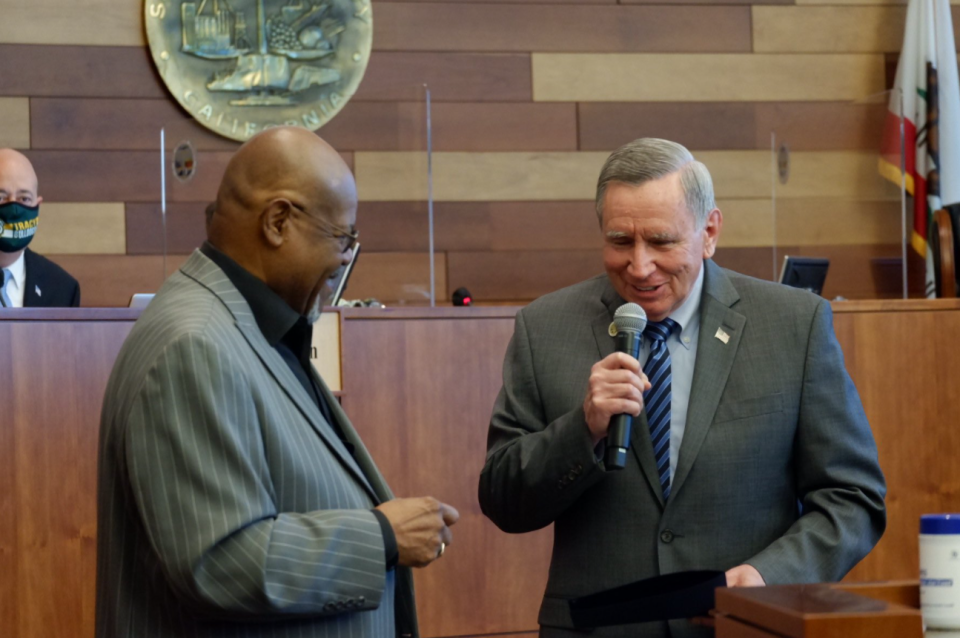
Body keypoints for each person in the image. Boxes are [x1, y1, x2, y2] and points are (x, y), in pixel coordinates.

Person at [478, 138, 886, 637]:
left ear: (709, 232)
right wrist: (581, 430)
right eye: (621, 241)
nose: (640, 266)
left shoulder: (792, 326)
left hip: (747, 626)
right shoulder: (546, 329)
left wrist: (768, 577)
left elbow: (852, 497)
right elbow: (503, 500)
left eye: (662, 241)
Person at [96, 127, 458, 638]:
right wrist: (380, 536)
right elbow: (217, 562)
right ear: (278, 221)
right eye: (342, 238)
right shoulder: (194, 345)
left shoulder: (249, 324)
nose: (343, 260)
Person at [0, 148, 80, 307]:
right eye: (1, 197)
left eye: (24, 198)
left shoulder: (63, 288)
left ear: (38, 206)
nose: (14, 209)